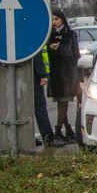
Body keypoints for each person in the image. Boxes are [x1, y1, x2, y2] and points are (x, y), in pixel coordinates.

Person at [48, 10, 81, 142]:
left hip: (68, 74)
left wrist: (59, 49)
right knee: (61, 102)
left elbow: (75, 54)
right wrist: (51, 49)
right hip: (56, 74)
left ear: (62, 19)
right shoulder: (49, 36)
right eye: (52, 19)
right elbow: (47, 55)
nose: (54, 22)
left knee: (65, 102)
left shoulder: (70, 34)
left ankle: (58, 131)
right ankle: (66, 130)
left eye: (56, 19)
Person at [33, 49, 64, 147]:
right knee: (40, 106)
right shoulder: (33, 37)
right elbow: (36, 55)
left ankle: (26, 137)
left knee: (25, 108)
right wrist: (42, 74)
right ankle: (48, 138)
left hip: (23, 74)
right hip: (34, 77)